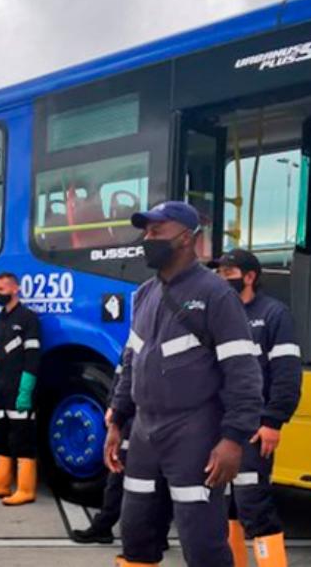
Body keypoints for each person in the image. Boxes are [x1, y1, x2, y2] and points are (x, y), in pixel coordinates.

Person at [106, 201, 264, 567]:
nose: (147, 239)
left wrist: (233, 440)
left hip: (194, 431)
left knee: (202, 541)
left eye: (156, 232)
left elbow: (244, 373)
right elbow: (131, 361)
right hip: (144, 430)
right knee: (136, 532)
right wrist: (117, 421)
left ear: (186, 239)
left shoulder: (216, 294)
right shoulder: (144, 293)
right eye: (146, 232)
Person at [213, 249, 302, 567]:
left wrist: (273, 421)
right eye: (219, 272)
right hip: (221, 425)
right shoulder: (220, 314)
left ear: (250, 277)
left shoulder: (274, 315)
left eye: (229, 272)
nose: (222, 278)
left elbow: (287, 374)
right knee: (225, 505)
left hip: (254, 426)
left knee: (253, 504)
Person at [72, 368, 171, 548]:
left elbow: (127, 379)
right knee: (160, 480)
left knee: (118, 476)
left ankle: (103, 526)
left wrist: (115, 409)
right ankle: (159, 534)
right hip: (139, 417)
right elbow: (123, 377)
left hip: (136, 418)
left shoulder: (141, 343)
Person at [0, 271, 41, 506]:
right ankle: (1, 486)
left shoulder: (28, 318)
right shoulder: (0, 319)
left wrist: (26, 390)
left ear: (16, 289)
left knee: (22, 440)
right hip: (0, 389)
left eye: (2, 290)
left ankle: (25, 490)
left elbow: (32, 357)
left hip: (19, 390)